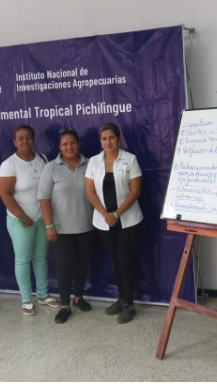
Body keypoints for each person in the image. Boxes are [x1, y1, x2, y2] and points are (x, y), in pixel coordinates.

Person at [0, 125, 60, 316]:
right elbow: (3, 193)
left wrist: (48, 219)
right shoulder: (10, 164)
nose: (25, 141)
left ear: (33, 139)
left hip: (42, 219)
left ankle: (43, 295)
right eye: (20, 138)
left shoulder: (42, 159)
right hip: (21, 221)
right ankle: (26, 299)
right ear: (14, 142)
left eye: (28, 137)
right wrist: (22, 217)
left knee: (41, 257)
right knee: (23, 260)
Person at [85, 123, 143, 324]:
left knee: (125, 260)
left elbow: (135, 191)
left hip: (128, 219)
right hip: (104, 221)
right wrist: (105, 214)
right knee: (116, 261)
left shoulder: (130, 159)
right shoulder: (94, 162)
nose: (108, 142)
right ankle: (121, 299)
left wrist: (117, 214)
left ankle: (129, 304)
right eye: (104, 138)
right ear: (100, 141)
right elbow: (90, 191)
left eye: (111, 137)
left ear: (119, 139)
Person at [38, 128, 95, 324]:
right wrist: (49, 225)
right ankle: (64, 305)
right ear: (59, 147)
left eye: (72, 143)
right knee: (64, 266)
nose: (69, 147)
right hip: (61, 229)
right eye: (64, 144)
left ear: (78, 144)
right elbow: (44, 198)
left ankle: (78, 297)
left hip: (87, 225)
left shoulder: (91, 164)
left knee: (82, 263)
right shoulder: (51, 167)